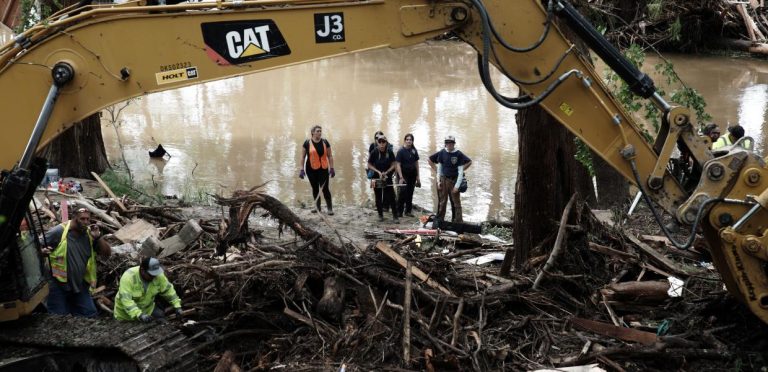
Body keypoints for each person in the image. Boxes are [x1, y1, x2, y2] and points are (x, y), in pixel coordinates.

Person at [41, 207, 111, 317]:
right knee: (58, 317)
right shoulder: (59, 231)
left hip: (80, 283)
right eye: (82, 219)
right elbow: (37, 246)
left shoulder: (89, 235)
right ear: (74, 218)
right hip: (57, 283)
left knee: (90, 314)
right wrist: (42, 251)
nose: (86, 222)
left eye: (88, 219)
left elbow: (106, 253)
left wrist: (98, 237)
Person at [114, 257, 183, 322]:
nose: (154, 277)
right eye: (151, 275)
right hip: (126, 315)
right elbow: (126, 301)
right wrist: (140, 315)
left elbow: (168, 291)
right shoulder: (129, 277)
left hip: (147, 309)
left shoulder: (158, 275)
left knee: (161, 316)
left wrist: (177, 306)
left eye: (155, 274)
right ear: (142, 270)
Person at [428, 135, 472, 223]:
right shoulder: (442, 153)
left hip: (454, 180)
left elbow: (460, 172)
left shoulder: (458, 154)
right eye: (447, 143)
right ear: (445, 144)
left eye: (451, 143)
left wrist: (457, 186)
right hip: (443, 180)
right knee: (442, 201)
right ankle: (440, 220)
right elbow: (439, 168)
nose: (449, 144)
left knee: (456, 203)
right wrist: (438, 181)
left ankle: (458, 221)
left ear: (454, 144)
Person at [299, 125, 335, 215]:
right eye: (318, 131)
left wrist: (332, 168)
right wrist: (301, 169)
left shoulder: (325, 142)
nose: (320, 132)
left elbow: (330, 156)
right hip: (310, 170)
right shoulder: (307, 143)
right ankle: (317, 208)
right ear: (313, 133)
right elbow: (302, 157)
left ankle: (329, 208)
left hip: (323, 169)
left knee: (325, 189)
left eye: (320, 131)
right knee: (315, 188)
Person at [368, 135, 403, 222]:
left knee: (391, 196)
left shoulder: (390, 152)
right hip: (376, 177)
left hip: (387, 176)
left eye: (383, 142)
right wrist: (378, 172)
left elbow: (394, 164)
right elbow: (369, 164)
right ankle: (380, 215)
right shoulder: (374, 152)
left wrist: (387, 172)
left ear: (386, 143)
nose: (382, 144)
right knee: (378, 196)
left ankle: (395, 216)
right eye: (380, 142)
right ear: (377, 143)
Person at [396, 133, 420, 217]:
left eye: (410, 140)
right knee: (402, 192)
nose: (409, 141)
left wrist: (418, 177)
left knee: (410, 192)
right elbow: (398, 164)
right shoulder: (401, 151)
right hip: (403, 174)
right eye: (407, 139)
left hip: (412, 174)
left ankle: (408, 211)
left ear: (412, 141)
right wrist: (401, 177)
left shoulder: (414, 150)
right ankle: (399, 211)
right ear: (405, 140)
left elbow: (416, 163)